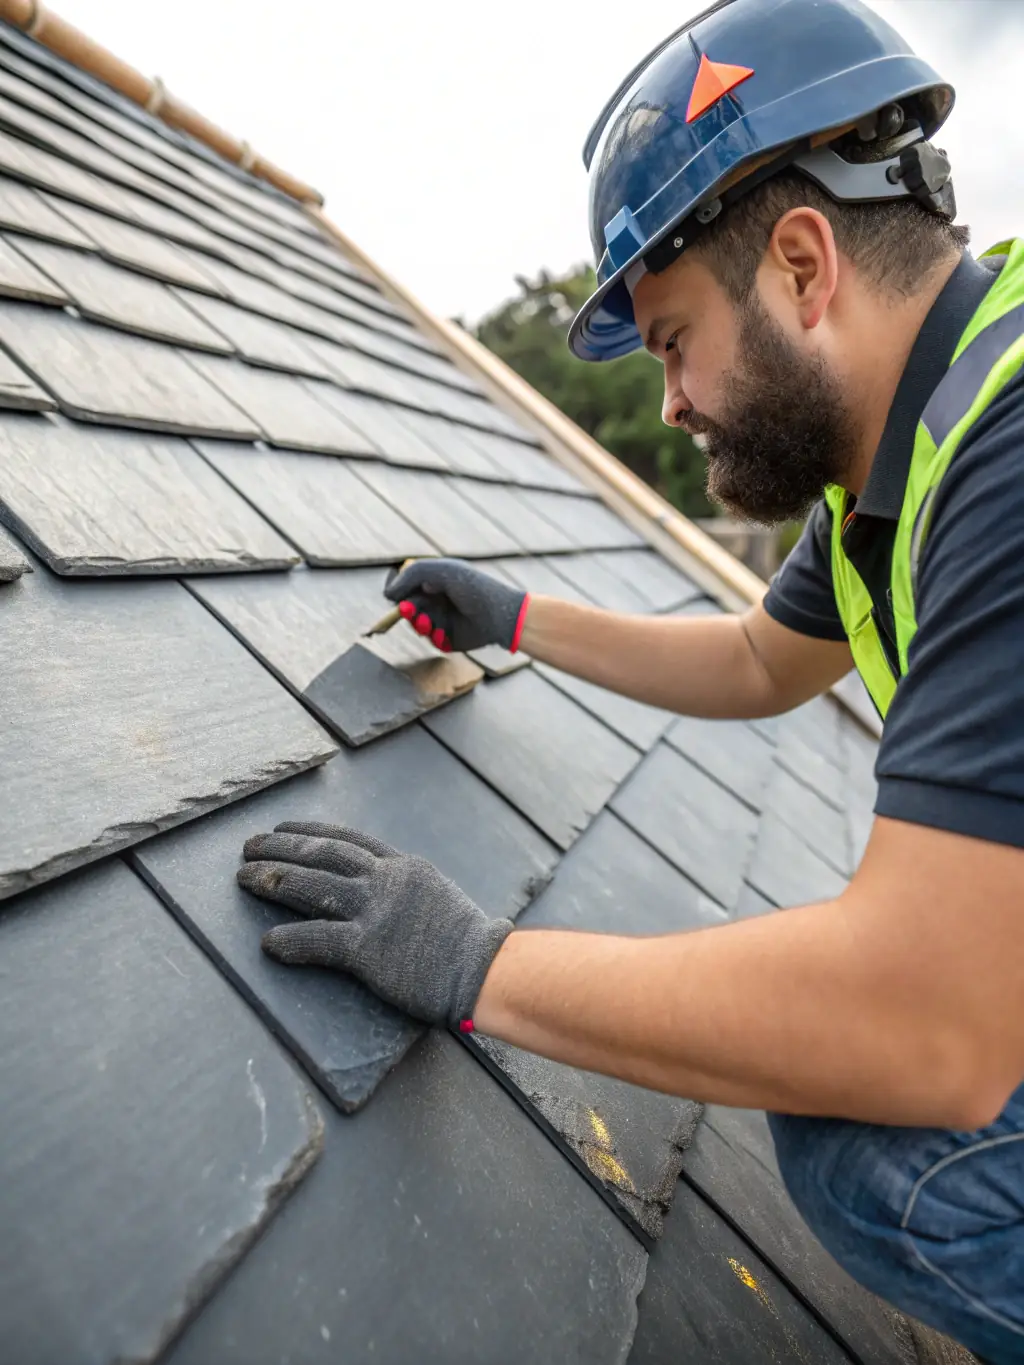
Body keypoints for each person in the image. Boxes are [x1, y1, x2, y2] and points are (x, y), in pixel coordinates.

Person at [236, 0, 1024, 1358]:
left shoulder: (1006, 465)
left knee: (874, 1153)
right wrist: (518, 616)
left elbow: (922, 1024)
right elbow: (759, 660)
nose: (669, 404)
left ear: (800, 266)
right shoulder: (904, 458)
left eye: (670, 343)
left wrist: (483, 964)